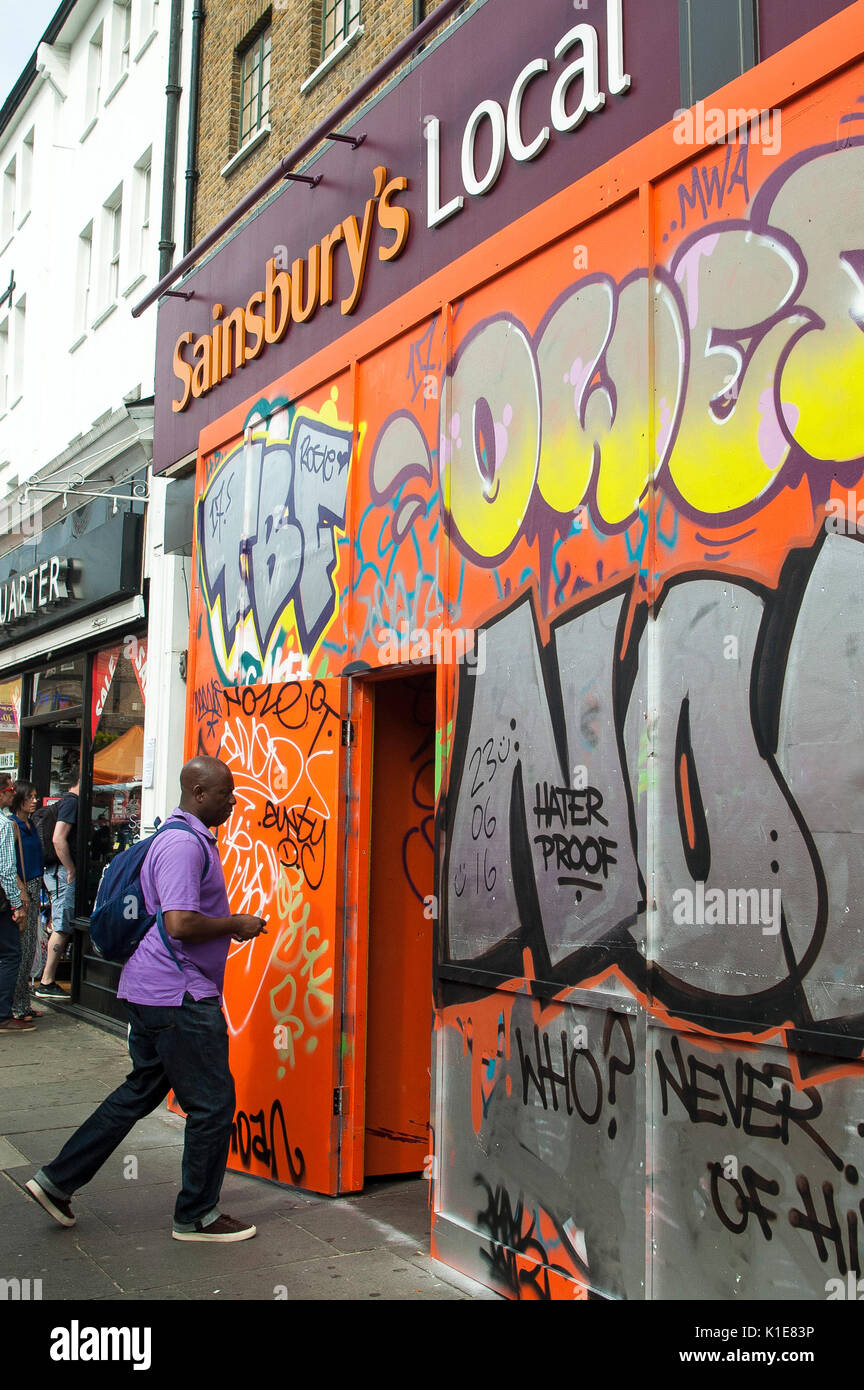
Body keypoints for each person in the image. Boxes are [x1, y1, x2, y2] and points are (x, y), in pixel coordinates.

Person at [25, 755, 267, 1241]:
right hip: (177, 995)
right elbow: (180, 923)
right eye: (224, 793)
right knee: (214, 1105)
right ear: (198, 793)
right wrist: (235, 924)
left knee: (138, 1092)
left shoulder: (179, 837)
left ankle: (57, 1181)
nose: (233, 801)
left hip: (153, 989)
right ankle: (197, 1215)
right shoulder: (182, 845)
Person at [34, 771, 80, 1001]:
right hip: (62, 873)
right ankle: (47, 981)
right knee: (62, 924)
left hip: (55, 872)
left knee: (62, 921)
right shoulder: (72, 803)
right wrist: (71, 868)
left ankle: (46, 979)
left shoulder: (65, 801)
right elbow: (58, 838)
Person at [10, 782, 44, 1022]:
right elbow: (10, 863)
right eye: (30, 797)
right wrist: (21, 892)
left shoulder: (33, 824)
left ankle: (23, 1002)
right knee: (21, 948)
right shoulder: (13, 825)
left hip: (35, 884)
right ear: (19, 799)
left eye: (35, 796)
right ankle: (16, 1005)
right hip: (23, 889)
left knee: (30, 947)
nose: (34, 800)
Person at [0, 773, 30, 1033]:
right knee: (10, 955)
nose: (12, 793)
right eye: (10, 789)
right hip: (1, 901)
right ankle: (2, 1015)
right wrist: (16, 905)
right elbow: (6, 870)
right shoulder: (3, 825)